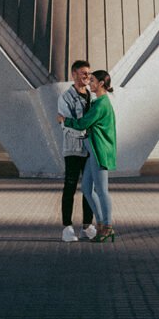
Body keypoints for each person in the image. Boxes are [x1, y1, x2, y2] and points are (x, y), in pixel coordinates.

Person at [58, 70, 117, 243]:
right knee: (86, 188)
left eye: (92, 81)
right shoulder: (99, 102)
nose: (89, 83)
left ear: (100, 84)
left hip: (100, 152)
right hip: (93, 152)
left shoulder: (101, 104)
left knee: (102, 191)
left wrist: (64, 120)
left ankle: (107, 227)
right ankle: (100, 224)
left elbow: (83, 123)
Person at [57, 60, 96, 242]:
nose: (87, 76)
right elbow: (66, 125)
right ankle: (67, 228)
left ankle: (87, 226)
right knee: (70, 187)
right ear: (73, 75)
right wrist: (86, 130)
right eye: (83, 73)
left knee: (89, 189)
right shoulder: (66, 98)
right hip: (73, 149)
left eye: (88, 73)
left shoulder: (93, 97)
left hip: (90, 150)